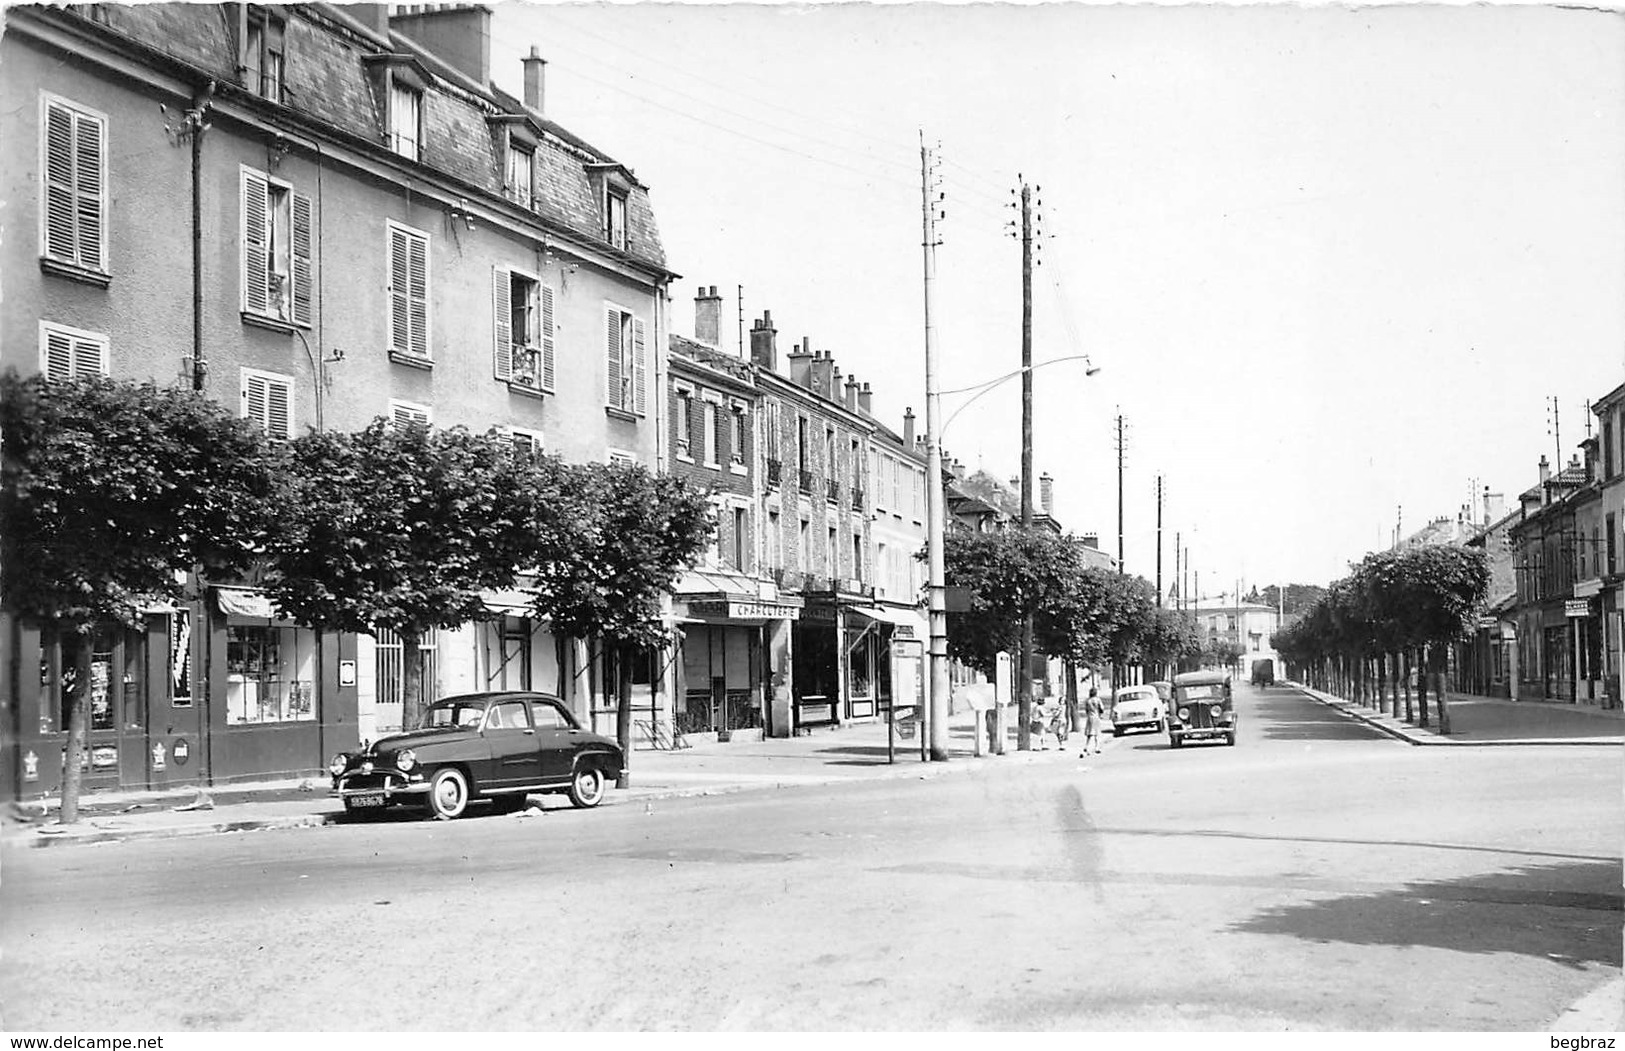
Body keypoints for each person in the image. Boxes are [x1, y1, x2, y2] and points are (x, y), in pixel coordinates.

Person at [1081, 687, 1105, 756]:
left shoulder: (1088, 701)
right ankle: (1097, 747)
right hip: (1096, 717)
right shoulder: (1097, 700)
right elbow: (1102, 708)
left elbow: (1086, 710)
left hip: (1089, 717)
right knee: (1096, 733)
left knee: (1089, 733)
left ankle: (1086, 746)